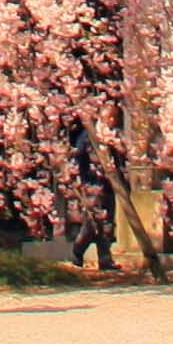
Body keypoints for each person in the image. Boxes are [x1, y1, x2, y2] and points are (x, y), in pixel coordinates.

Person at [61, 114, 114, 272]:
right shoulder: (87, 137)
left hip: (108, 184)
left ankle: (105, 258)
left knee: (106, 223)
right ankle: (78, 251)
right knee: (92, 222)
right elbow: (78, 156)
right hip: (92, 184)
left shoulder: (109, 134)